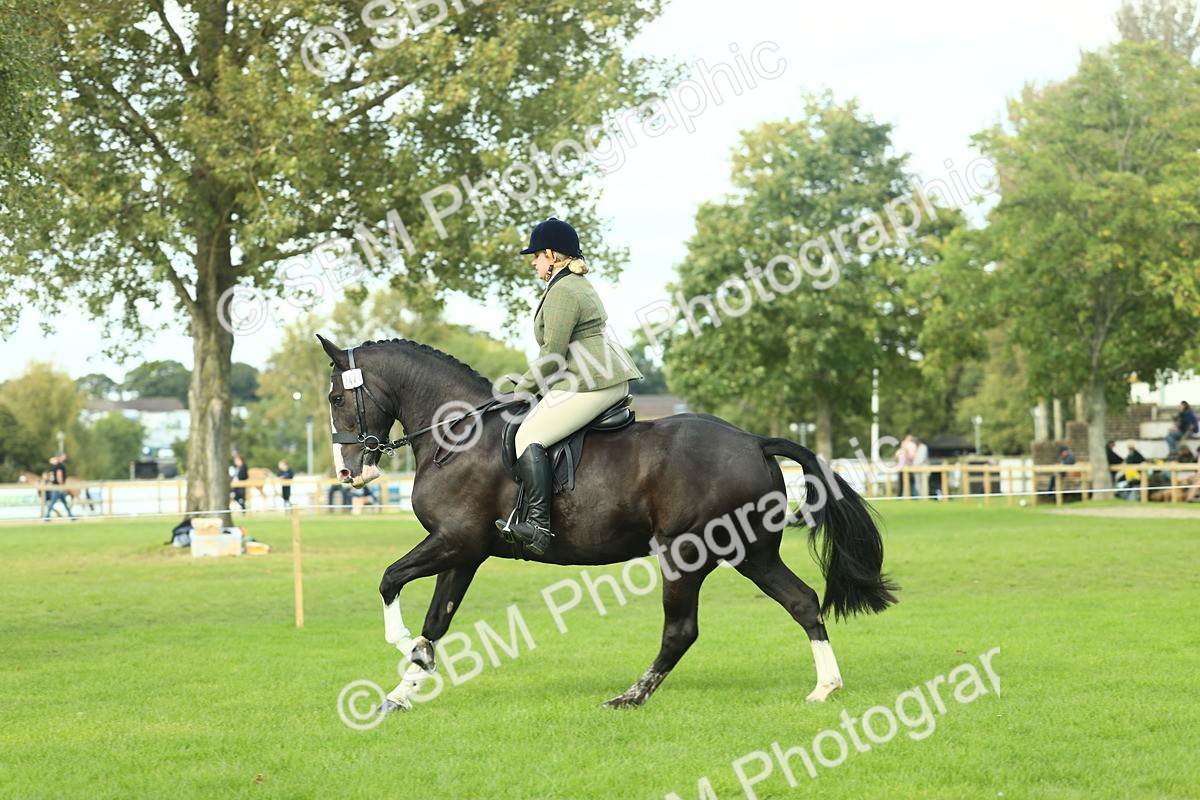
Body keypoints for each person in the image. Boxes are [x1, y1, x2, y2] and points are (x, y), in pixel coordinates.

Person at [495, 218, 643, 556]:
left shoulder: (563, 290)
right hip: (596, 375)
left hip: (593, 382)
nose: (533, 261)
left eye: (536, 255)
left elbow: (553, 354)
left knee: (527, 436)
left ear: (551, 254)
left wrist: (525, 391)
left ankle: (538, 526)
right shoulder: (572, 283)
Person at [42, 454, 77, 521]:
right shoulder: (59, 466)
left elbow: (51, 461)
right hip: (58, 487)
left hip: (57, 486)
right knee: (53, 502)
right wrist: (61, 486)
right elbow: (59, 475)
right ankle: (47, 516)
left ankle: (71, 516)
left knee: (64, 502)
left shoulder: (57, 465)